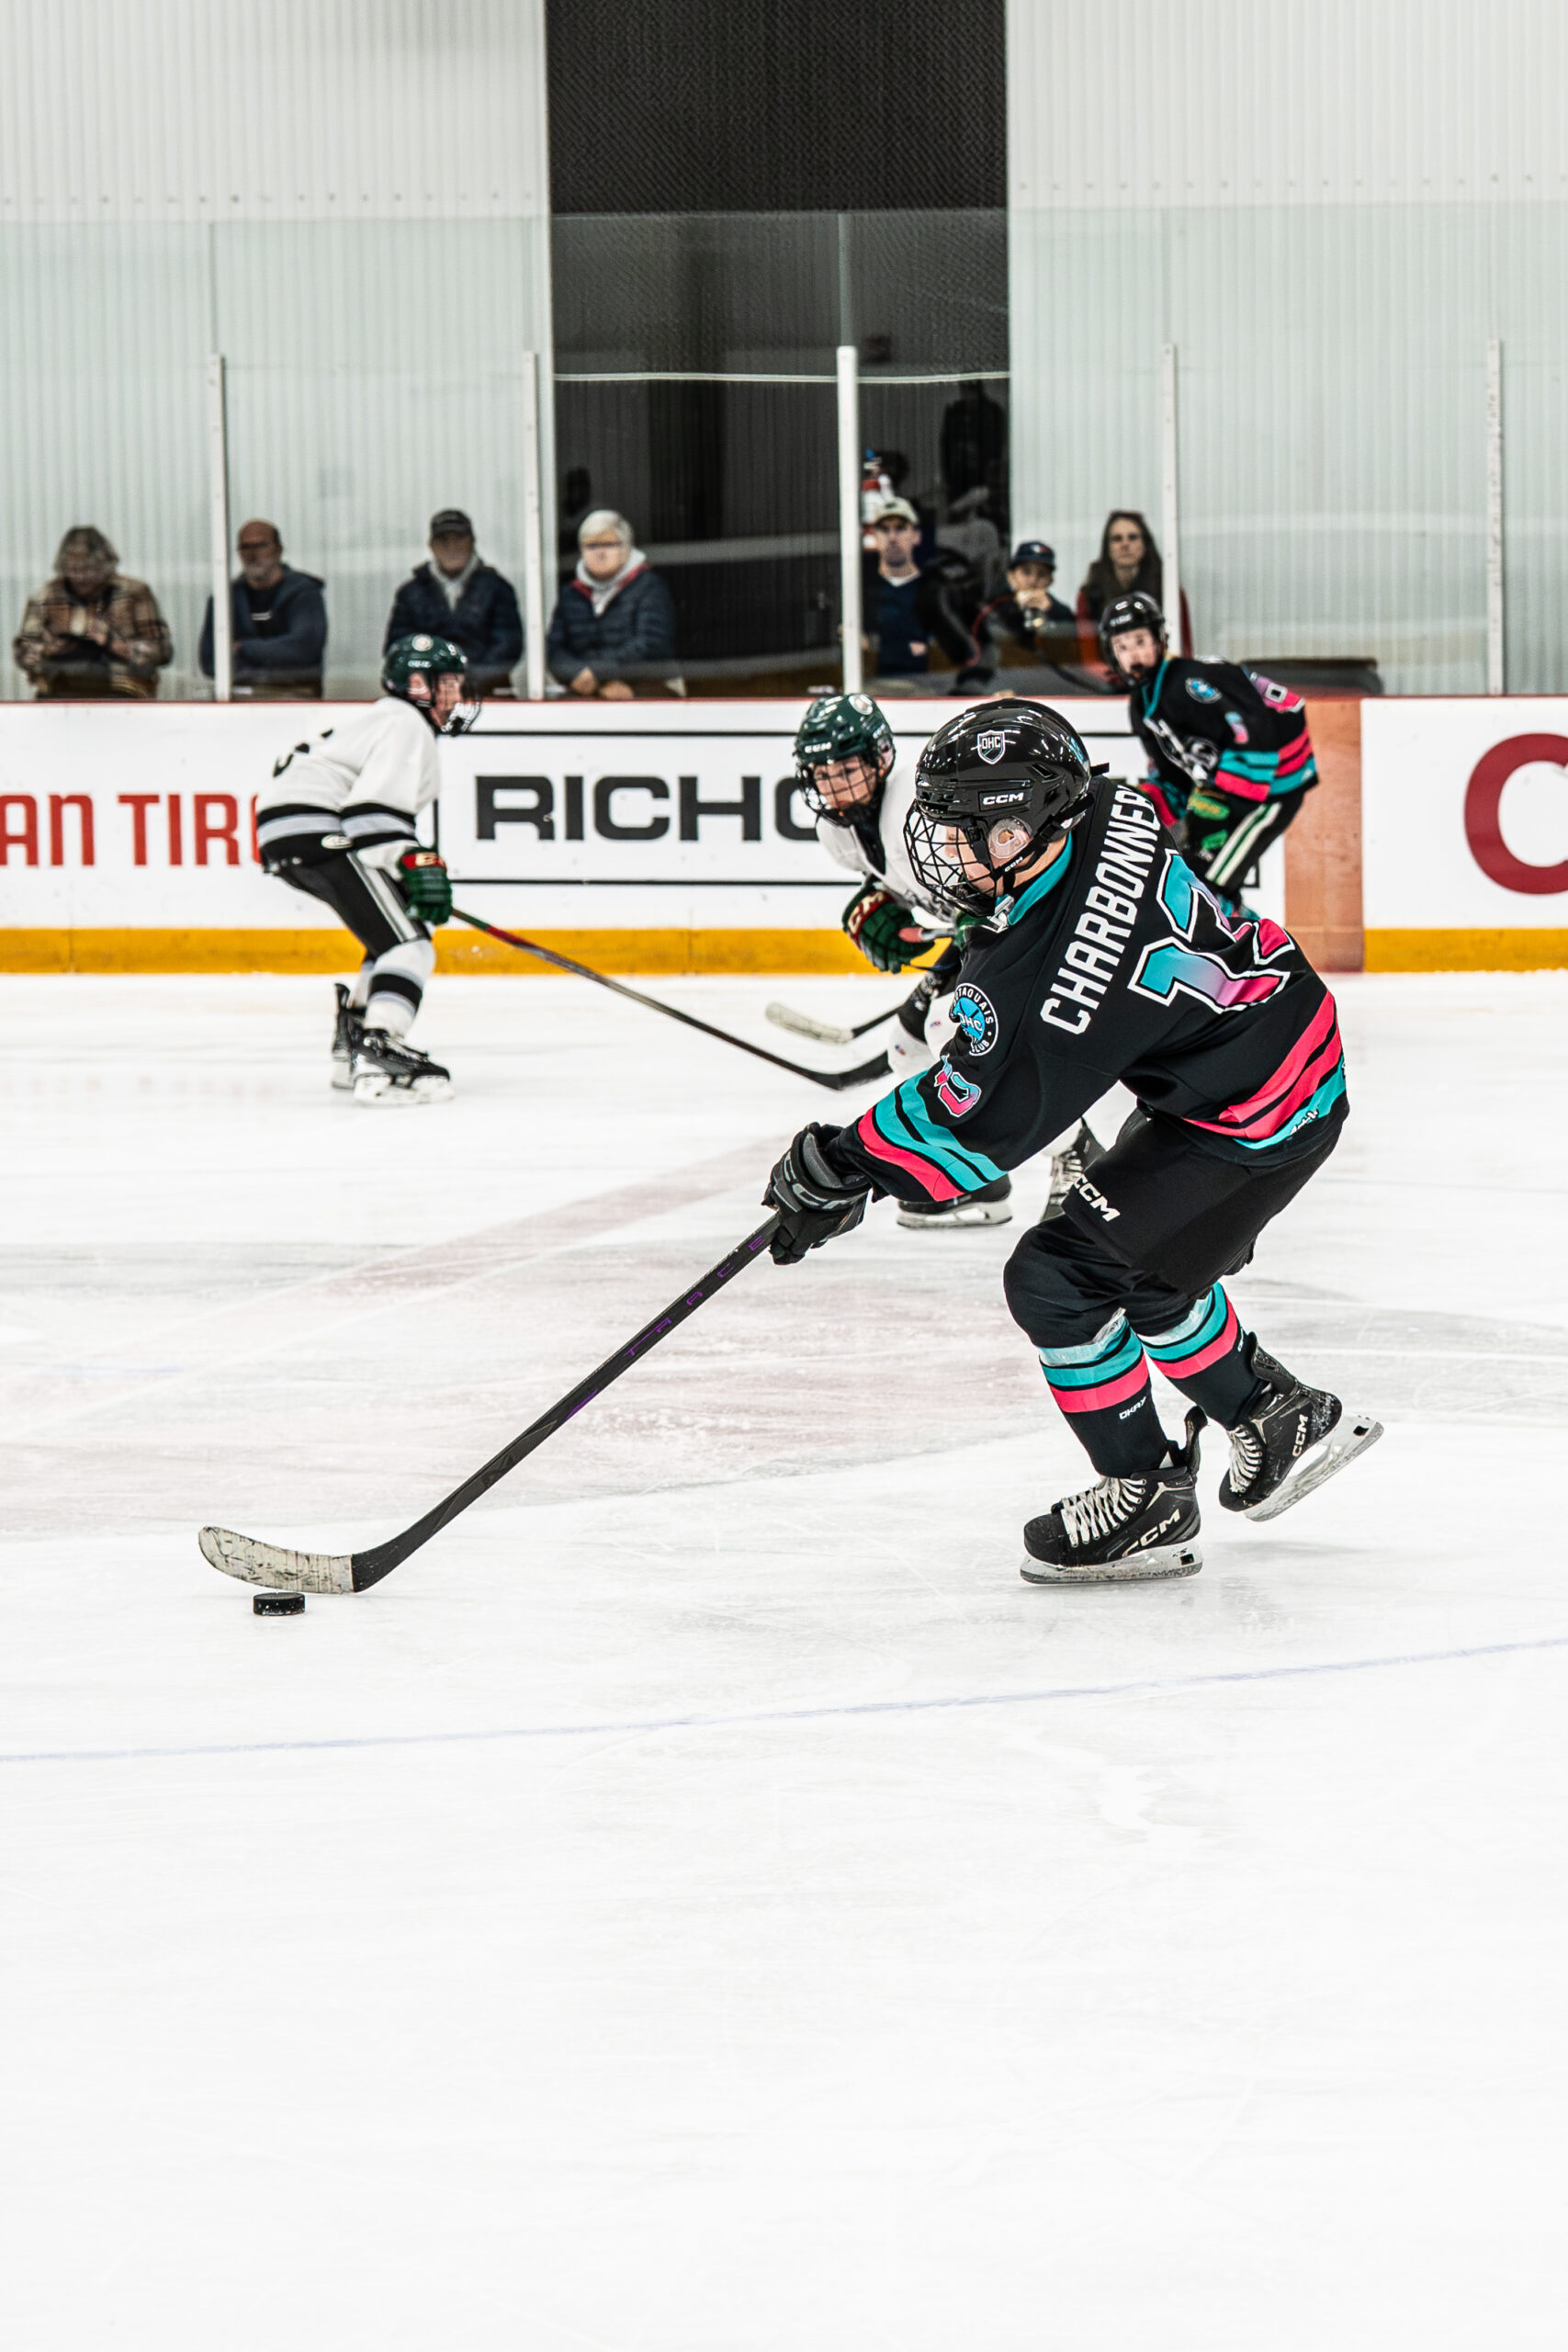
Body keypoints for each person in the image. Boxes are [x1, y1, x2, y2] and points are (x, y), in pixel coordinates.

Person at [761, 699, 1381, 1585]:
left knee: (1055, 1279)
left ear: (1021, 828)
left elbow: (973, 1124)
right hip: (1260, 1047)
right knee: (1145, 1269)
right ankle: (1273, 1414)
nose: (943, 850)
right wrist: (979, 947)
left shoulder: (1056, 990)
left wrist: (842, 1162)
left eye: (965, 831)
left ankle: (1146, 1494)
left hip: (1253, 1110)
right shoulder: (1103, 804)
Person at [793, 691, 1011, 1229]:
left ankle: (1074, 1155)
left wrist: (975, 928)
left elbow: (1000, 879)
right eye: (822, 774)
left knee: (956, 1036)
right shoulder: (837, 832)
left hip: (1011, 932)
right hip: (972, 936)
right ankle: (979, 1183)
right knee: (907, 1050)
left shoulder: (920, 808)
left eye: (846, 770)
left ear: (881, 758)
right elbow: (896, 882)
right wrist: (873, 906)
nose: (834, 786)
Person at [254, 634, 473, 1105]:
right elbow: (372, 816)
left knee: (387, 936)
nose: (456, 695)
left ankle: (352, 1048)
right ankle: (380, 1047)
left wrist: (406, 865)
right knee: (410, 945)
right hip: (320, 827)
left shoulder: (380, 720)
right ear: (417, 684)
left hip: (288, 833)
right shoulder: (405, 722)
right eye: (448, 683)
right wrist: (415, 861)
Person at [1101, 593, 1318, 918]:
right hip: (1234, 791)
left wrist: (1219, 801)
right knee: (1193, 882)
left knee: (1208, 889)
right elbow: (1175, 777)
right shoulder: (1141, 706)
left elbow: (1251, 729)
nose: (1133, 654)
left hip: (1272, 791)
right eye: (1122, 647)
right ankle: (1244, 937)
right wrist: (1140, 808)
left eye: (1140, 641)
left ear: (1160, 639)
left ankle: (1262, 946)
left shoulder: (1189, 682)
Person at [13, 526, 173, 699]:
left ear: (107, 566)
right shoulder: (45, 596)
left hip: (123, 691)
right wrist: (46, 649)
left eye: (89, 569)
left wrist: (112, 642)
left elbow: (162, 652)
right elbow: (24, 653)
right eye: (73, 570)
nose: (80, 577)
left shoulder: (135, 593)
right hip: (59, 691)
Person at [385, 509, 523, 697]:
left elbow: (507, 648)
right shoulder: (410, 593)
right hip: (426, 698)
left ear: (472, 542)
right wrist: (432, 681)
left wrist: (463, 680)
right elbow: (398, 649)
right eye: (443, 540)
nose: (452, 547)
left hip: (487, 694)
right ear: (432, 546)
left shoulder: (498, 589)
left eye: (458, 538)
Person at [547, 509, 678, 698]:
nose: (600, 553)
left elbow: (652, 644)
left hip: (644, 690)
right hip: (585, 690)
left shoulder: (649, 586)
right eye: (591, 546)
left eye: (609, 545)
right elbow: (553, 648)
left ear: (626, 548)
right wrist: (575, 673)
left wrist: (599, 673)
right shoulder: (571, 594)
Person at [199, 519, 326, 698]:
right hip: (240, 701)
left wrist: (242, 648)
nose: (252, 555)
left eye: (260, 546)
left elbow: (304, 649)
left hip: (297, 700)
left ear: (278, 550)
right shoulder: (225, 599)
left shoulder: (303, 593)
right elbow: (210, 660)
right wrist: (271, 659)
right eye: (245, 547)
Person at [861, 497, 978, 688]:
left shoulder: (935, 590)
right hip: (874, 688)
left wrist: (930, 649)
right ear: (874, 536)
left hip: (928, 689)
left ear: (916, 536)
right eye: (884, 529)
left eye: (900, 528)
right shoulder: (862, 591)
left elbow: (963, 652)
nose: (892, 537)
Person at [1075, 511, 1192, 674]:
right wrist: (1116, 678)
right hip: (1105, 683)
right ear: (1107, 547)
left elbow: (1183, 648)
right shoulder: (1089, 595)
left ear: (1145, 544)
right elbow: (1088, 658)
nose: (1125, 544)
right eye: (1117, 539)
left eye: (1133, 537)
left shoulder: (1169, 591)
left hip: (1161, 679)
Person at [970, 538, 1079, 684]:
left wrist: (1050, 610)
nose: (1033, 580)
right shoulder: (995, 608)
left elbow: (1070, 650)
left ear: (1050, 580)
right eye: (1026, 572)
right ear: (1012, 576)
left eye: (1041, 574)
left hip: (1050, 683)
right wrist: (1016, 610)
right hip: (1002, 681)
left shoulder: (1061, 611)